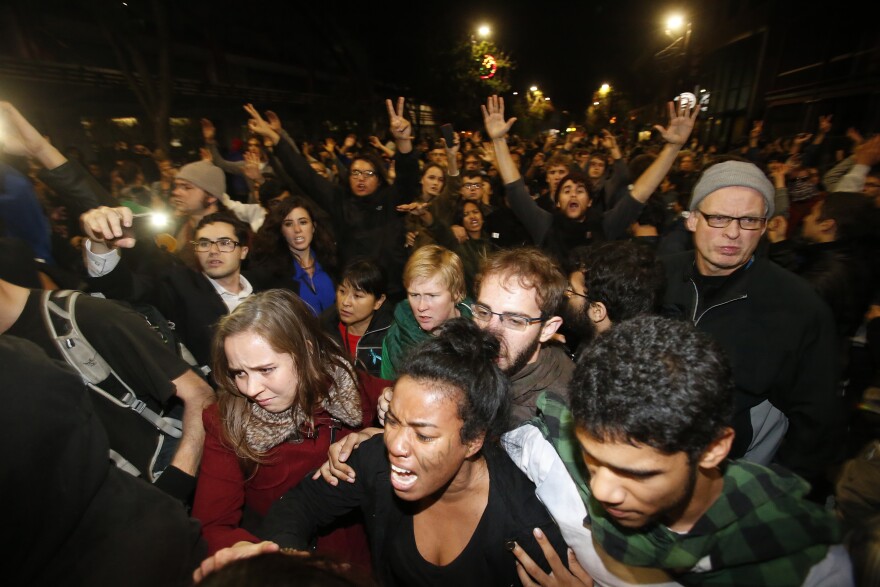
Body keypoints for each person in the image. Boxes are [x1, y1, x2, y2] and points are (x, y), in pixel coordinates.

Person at [194, 318, 570, 587]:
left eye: (423, 436)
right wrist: (292, 563)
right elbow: (296, 506)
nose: (396, 445)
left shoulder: (525, 529)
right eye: (392, 422)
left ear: (474, 440)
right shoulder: (373, 458)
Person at [565, 315, 852, 586]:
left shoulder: (815, 569)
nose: (601, 490)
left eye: (637, 474)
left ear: (712, 449)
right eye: (591, 458)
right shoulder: (556, 459)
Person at [661, 157, 844, 495]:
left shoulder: (798, 306)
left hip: (732, 482)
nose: (733, 233)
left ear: (763, 228)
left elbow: (816, 421)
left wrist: (773, 493)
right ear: (692, 220)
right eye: (719, 218)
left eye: (748, 220)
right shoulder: (658, 275)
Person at [191, 289, 385, 566]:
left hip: (368, 559)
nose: (251, 389)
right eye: (239, 373)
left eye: (266, 369)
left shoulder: (346, 386)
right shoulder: (225, 422)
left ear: (305, 351)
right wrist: (259, 553)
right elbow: (213, 526)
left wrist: (392, 421)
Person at [4, 335, 205, 587]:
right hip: (149, 528)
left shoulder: (20, 359)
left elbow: (200, 394)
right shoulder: (20, 356)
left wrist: (176, 484)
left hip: (144, 542)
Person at [487, 95, 697, 266]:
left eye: (580, 190)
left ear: (589, 201)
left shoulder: (605, 225)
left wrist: (672, 148)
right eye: (566, 190)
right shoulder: (544, 224)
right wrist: (498, 140)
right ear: (557, 202)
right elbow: (516, 190)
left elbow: (640, 193)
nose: (573, 194)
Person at [244, 99, 420, 301]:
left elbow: (409, 177)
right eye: (355, 173)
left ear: (379, 179)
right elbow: (305, 174)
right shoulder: (339, 200)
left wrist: (403, 142)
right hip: (353, 293)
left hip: (393, 290)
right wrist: (275, 138)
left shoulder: (392, 199)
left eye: (368, 173)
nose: (360, 178)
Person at [379, 244, 473, 379]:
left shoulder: (480, 332)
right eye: (414, 295)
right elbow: (387, 385)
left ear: (456, 293)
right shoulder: (396, 336)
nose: (421, 307)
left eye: (432, 296)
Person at [251, 196, 337, 315]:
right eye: (288, 224)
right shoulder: (271, 274)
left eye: (303, 222)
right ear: (281, 230)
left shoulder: (331, 261)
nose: (297, 229)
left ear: (313, 226)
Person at [320, 257, 392, 377]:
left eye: (357, 296)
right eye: (342, 291)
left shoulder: (391, 334)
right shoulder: (324, 327)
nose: (345, 302)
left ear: (378, 301)